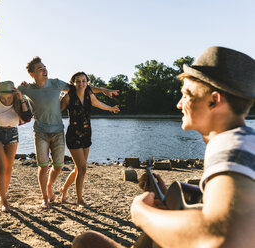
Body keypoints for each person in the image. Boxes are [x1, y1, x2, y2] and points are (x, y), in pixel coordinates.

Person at [73, 46, 255, 248]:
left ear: (214, 100)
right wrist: (167, 195)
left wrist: (142, 214)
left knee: (85, 242)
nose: (178, 104)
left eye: (186, 94)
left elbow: (221, 237)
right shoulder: (244, 143)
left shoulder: (231, 146)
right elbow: (234, 213)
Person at [19, 56, 119, 209]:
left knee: (70, 167)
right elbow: (13, 93)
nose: (45, 70)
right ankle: (62, 199)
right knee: (63, 167)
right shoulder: (34, 90)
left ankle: (59, 188)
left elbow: (89, 95)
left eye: (45, 67)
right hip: (56, 132)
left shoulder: (67, 88)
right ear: (32, 74)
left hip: (73, 132)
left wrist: (106, 95)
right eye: (40, 69)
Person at [59, 72, 120, 207]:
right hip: (73, 133)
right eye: (78, 81)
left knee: (78, 169)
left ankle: (64, 189)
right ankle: (79, 200)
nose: (81, 84)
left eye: (83, 81)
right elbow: (56, 111)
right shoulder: (68, 96)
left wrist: (111, 109)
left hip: (87, 132)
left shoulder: (89, 94)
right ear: (73, 83)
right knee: (82, 168)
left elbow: (98, 104)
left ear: (87, 82)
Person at [0, 81, 32, 212]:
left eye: (9, 97)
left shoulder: (18, 101)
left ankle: (2, 196)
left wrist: (20, 98)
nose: (7, 100)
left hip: (13, 134)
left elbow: (28, 117)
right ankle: (4, 200)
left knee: (8, 168)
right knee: (0, 168)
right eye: (4, 97)